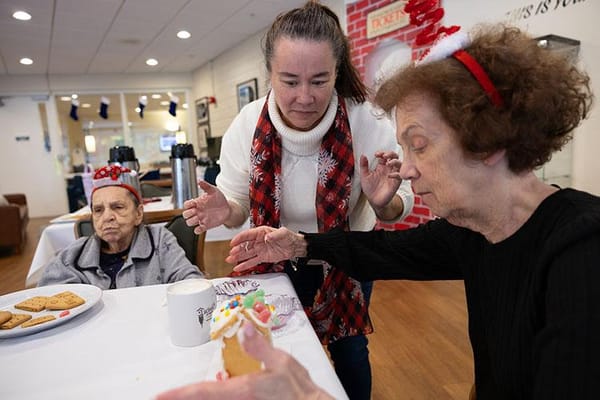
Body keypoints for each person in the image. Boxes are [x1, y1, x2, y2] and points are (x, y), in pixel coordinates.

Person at [163, 23, 599, 399]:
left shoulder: (582, 252)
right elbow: (386, 250)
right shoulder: (476, 231)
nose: (406, 168)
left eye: (420, 145)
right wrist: (297, 242)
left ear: (485, 141)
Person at [182, 2, 413, 398]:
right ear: (269, 73)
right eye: (289, 81)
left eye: (319, 80)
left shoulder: (367, 121)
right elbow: (238, 203)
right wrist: (228, 210)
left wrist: (382, 203)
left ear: (337, 72)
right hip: (275, 256)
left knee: (351, 348)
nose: (304, 97)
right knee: (275, 344)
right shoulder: (247, 125)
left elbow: (396, 204)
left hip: (347, 253)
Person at [39, 165, 204, 289]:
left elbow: (190, 280)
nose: (107, 217)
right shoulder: (75, 254)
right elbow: (48, 294)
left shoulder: (159, 241)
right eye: (98, 210)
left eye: (117, 207)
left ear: (138, 214)